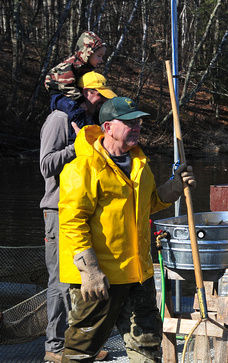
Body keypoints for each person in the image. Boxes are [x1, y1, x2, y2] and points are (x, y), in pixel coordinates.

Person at [58, 96, 195, 362]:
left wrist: (174, 187)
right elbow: (72, 222)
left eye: (139, 121)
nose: (137, 126)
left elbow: (148, 204)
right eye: (130, 122)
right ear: (108, 127)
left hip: (138, 273)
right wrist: (89, 270)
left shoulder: (139, 164)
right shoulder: (82, 167)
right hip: (99, 278)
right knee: (81, 349)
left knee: (147, 346)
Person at [40, 71, 116, 363]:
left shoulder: (88, 121)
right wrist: (78, 148)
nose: (101, 101)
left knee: (80, 278)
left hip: (83, 209)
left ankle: (81, 344)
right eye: (100, 95)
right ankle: (55, 347)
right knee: (60, 281)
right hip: (57, 209)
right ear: (86, 93)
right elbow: (46, 165)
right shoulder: (58, 119)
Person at [45, 30, 107, 145]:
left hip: (70, 93)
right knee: (76, 111)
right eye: (99, 56)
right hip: (59, 94)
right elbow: (66, 85)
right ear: (87, 53)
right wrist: (81, 101)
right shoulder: (70, 65)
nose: (101, 60)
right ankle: (76, 140)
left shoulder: (86, 67)